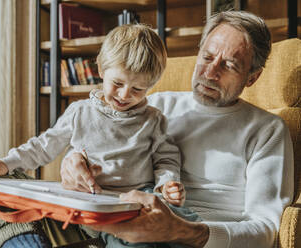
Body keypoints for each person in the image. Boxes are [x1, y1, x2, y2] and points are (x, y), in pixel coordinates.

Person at [60, 10, 294, 247]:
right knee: (21, 193)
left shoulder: (267, 130)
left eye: (230, 65)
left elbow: (266, 230)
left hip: (196, 238)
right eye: (207, 57)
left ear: (252, 78)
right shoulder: (155, 106)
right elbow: (100, 144)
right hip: (116, 221)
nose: (210, 73)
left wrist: (182, 231)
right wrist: (74, 161)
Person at [0, 24, 200, 248]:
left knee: (179, 221)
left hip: (133, 201)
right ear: (101, 69)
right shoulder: (80, 111)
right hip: (88, 202)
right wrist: (7, 162)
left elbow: (166, 158)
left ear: (151, 86)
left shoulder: (153, 120)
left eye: (137, 89)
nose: (124, 95)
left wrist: (167, 183)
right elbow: (44, 146)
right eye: (118, 83)